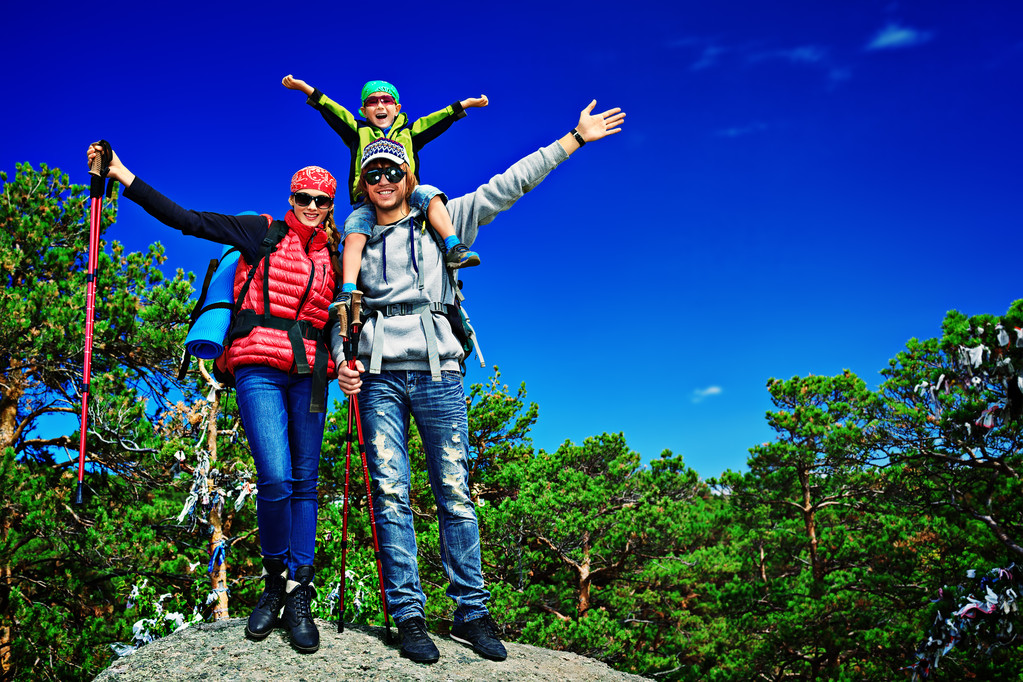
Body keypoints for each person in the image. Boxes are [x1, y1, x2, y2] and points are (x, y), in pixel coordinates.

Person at [332, 100, 626, 663]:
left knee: (455, 491)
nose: (385, 179)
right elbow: (333, 311)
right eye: (374, 172)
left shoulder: (446, 217)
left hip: (439, 370)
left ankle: (470, 611)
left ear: (409, 175)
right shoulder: (353, 241)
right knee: (391, 494)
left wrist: (574, 139)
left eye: (394, 170)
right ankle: (410, 616)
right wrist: (339, 360)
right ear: (363, 182)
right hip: (376, 378)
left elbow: (508, 184)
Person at [86, 144, 340, 655]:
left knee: (306, 482)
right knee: (274, 477)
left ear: (331, 205)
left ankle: (298, 590)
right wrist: (121, 174)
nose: (310, 206)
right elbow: (188, 219)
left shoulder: (336, 253)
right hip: (257, 367)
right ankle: (273, 581)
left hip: (311, 375)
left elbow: (342, 314)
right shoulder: (261, 231)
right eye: (302, 197)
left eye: (320, 200)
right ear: (290, 197)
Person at [282, 75, 486, 309]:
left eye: (387, 100)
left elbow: (436, 120)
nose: (380, 105)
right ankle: (348, 289)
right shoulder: (358, 131)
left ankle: (454, 246)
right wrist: (305, 88)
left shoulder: (409, 133)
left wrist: (464, 104)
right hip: (367, 198)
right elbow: (334, 110)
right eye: (372, 101)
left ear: (397, 108)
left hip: (408, 193)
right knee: (355, 229)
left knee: (431, 194)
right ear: (363, 110)